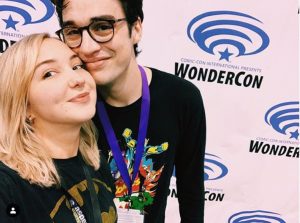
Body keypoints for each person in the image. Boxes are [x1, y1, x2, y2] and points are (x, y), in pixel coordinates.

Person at [52, 0, 206, 222]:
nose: (87, 47)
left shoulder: (181, 98)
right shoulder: (65, 105)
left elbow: (190, 194)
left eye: (103, 27)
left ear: (136, 29)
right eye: (73, 31)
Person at [0, 33, 117, 223]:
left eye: (77, 66)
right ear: (24, 105)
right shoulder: (7, 186)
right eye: (49, 73)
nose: (77, 79)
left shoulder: (96, 164)